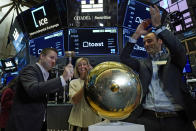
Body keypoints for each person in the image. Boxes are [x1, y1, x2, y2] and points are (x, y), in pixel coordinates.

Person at [120, 5, 196, 131]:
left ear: (160, 41)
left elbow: (178, 49)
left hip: (176, 120)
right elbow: (124, 58)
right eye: (144, 42)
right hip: (148, 119)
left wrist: (159, 27)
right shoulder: (142, 63)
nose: (146, 45)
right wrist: (137, 34)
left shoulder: (174, 59)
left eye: (149, 41)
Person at [5, 48, 74, 131]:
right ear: (42, 56)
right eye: (51, 57)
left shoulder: (46, 74)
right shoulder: (29, 70)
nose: (54, 61)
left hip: (37, 123)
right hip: (23, 125)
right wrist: (62, 78)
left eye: (55, 59)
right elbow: (33, 89)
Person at [68, 57, 102, 131]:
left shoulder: (97, 82)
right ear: (77, 69)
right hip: (77, 121)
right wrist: (87, 81)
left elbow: (100, 100)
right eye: (79, 65)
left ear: (88, 66)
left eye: (84, 64)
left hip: (94, 121)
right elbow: (75, 100)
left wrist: (91, 77)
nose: (82, 67)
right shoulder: (73, 83)